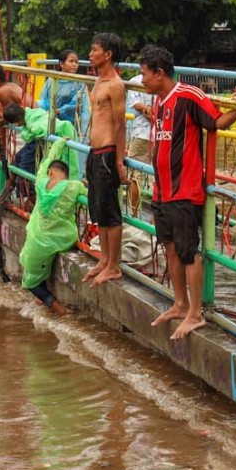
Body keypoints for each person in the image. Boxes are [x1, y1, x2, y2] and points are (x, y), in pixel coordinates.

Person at [135, 45, 236, 339]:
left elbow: (216, 122)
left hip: (184, 189)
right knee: (170, 247)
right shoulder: (159, 102)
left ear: (159, 73)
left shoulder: (189, 95)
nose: (141, 79)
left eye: (144, 73)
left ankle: (196, 312)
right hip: (162, 190)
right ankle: (180, 303)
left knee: (187, 251)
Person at [19, 137, 83, 315]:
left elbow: (47, 158)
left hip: (39, 239)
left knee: (30, 282)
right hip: (64, 239)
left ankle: (59, 310)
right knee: (40, 269)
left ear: (51, 173)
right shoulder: (73, 186)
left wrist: (59, 142)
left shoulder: (40, 181)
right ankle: (44, 301)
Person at [83, 32, 127, 287]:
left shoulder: (115, 84)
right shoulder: (98, 81)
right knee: (98, 208)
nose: (90, 54)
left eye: (94, 49)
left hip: (108, 153)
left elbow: (120, 125)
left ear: (107, 54)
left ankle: (114, 265)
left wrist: (119, 161)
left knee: (110, 210)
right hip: (94, 152)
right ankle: (104, 258)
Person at [40, 49, 90, 133]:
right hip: (50, 121)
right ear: (62, 64)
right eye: (71, 61)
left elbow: (77, 104)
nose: (74, 65)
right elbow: (44, 99)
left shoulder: (80, 83)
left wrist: (59, 111)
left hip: (71, 126)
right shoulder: (52, 80)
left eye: (76, 62)